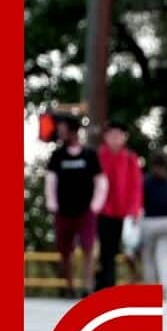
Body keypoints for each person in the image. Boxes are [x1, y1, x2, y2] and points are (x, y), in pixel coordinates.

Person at [45, 117, 107, 297]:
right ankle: (69, 286)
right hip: (63, 211)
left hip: (85, 211)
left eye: (63, 129)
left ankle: (87, 286)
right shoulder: (57, 155)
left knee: (89, 248)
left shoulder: (89, 155)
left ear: (73, 131)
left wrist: (96, 205)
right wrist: (52, 202)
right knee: (65, 250)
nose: (60, 133)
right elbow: (51, 180)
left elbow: (101, 181)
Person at [95, 120, 142, 291]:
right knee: (105, 249)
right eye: (112, 135)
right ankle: (105, 283)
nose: (115, 138)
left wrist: (134, 210)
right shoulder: (99, 156)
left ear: (124, 138)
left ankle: (109, 282)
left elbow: (136, 186)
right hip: (102, 210)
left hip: (123, 212)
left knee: (117, 248)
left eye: (119, 135)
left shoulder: (130, 158)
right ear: (106, 137)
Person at [140, 153, 167, 299]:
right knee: (162, 257)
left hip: (153, 222)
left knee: (152, 257)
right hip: (164, 222)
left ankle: (156, 288)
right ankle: (165, 288)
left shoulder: (146, 182)